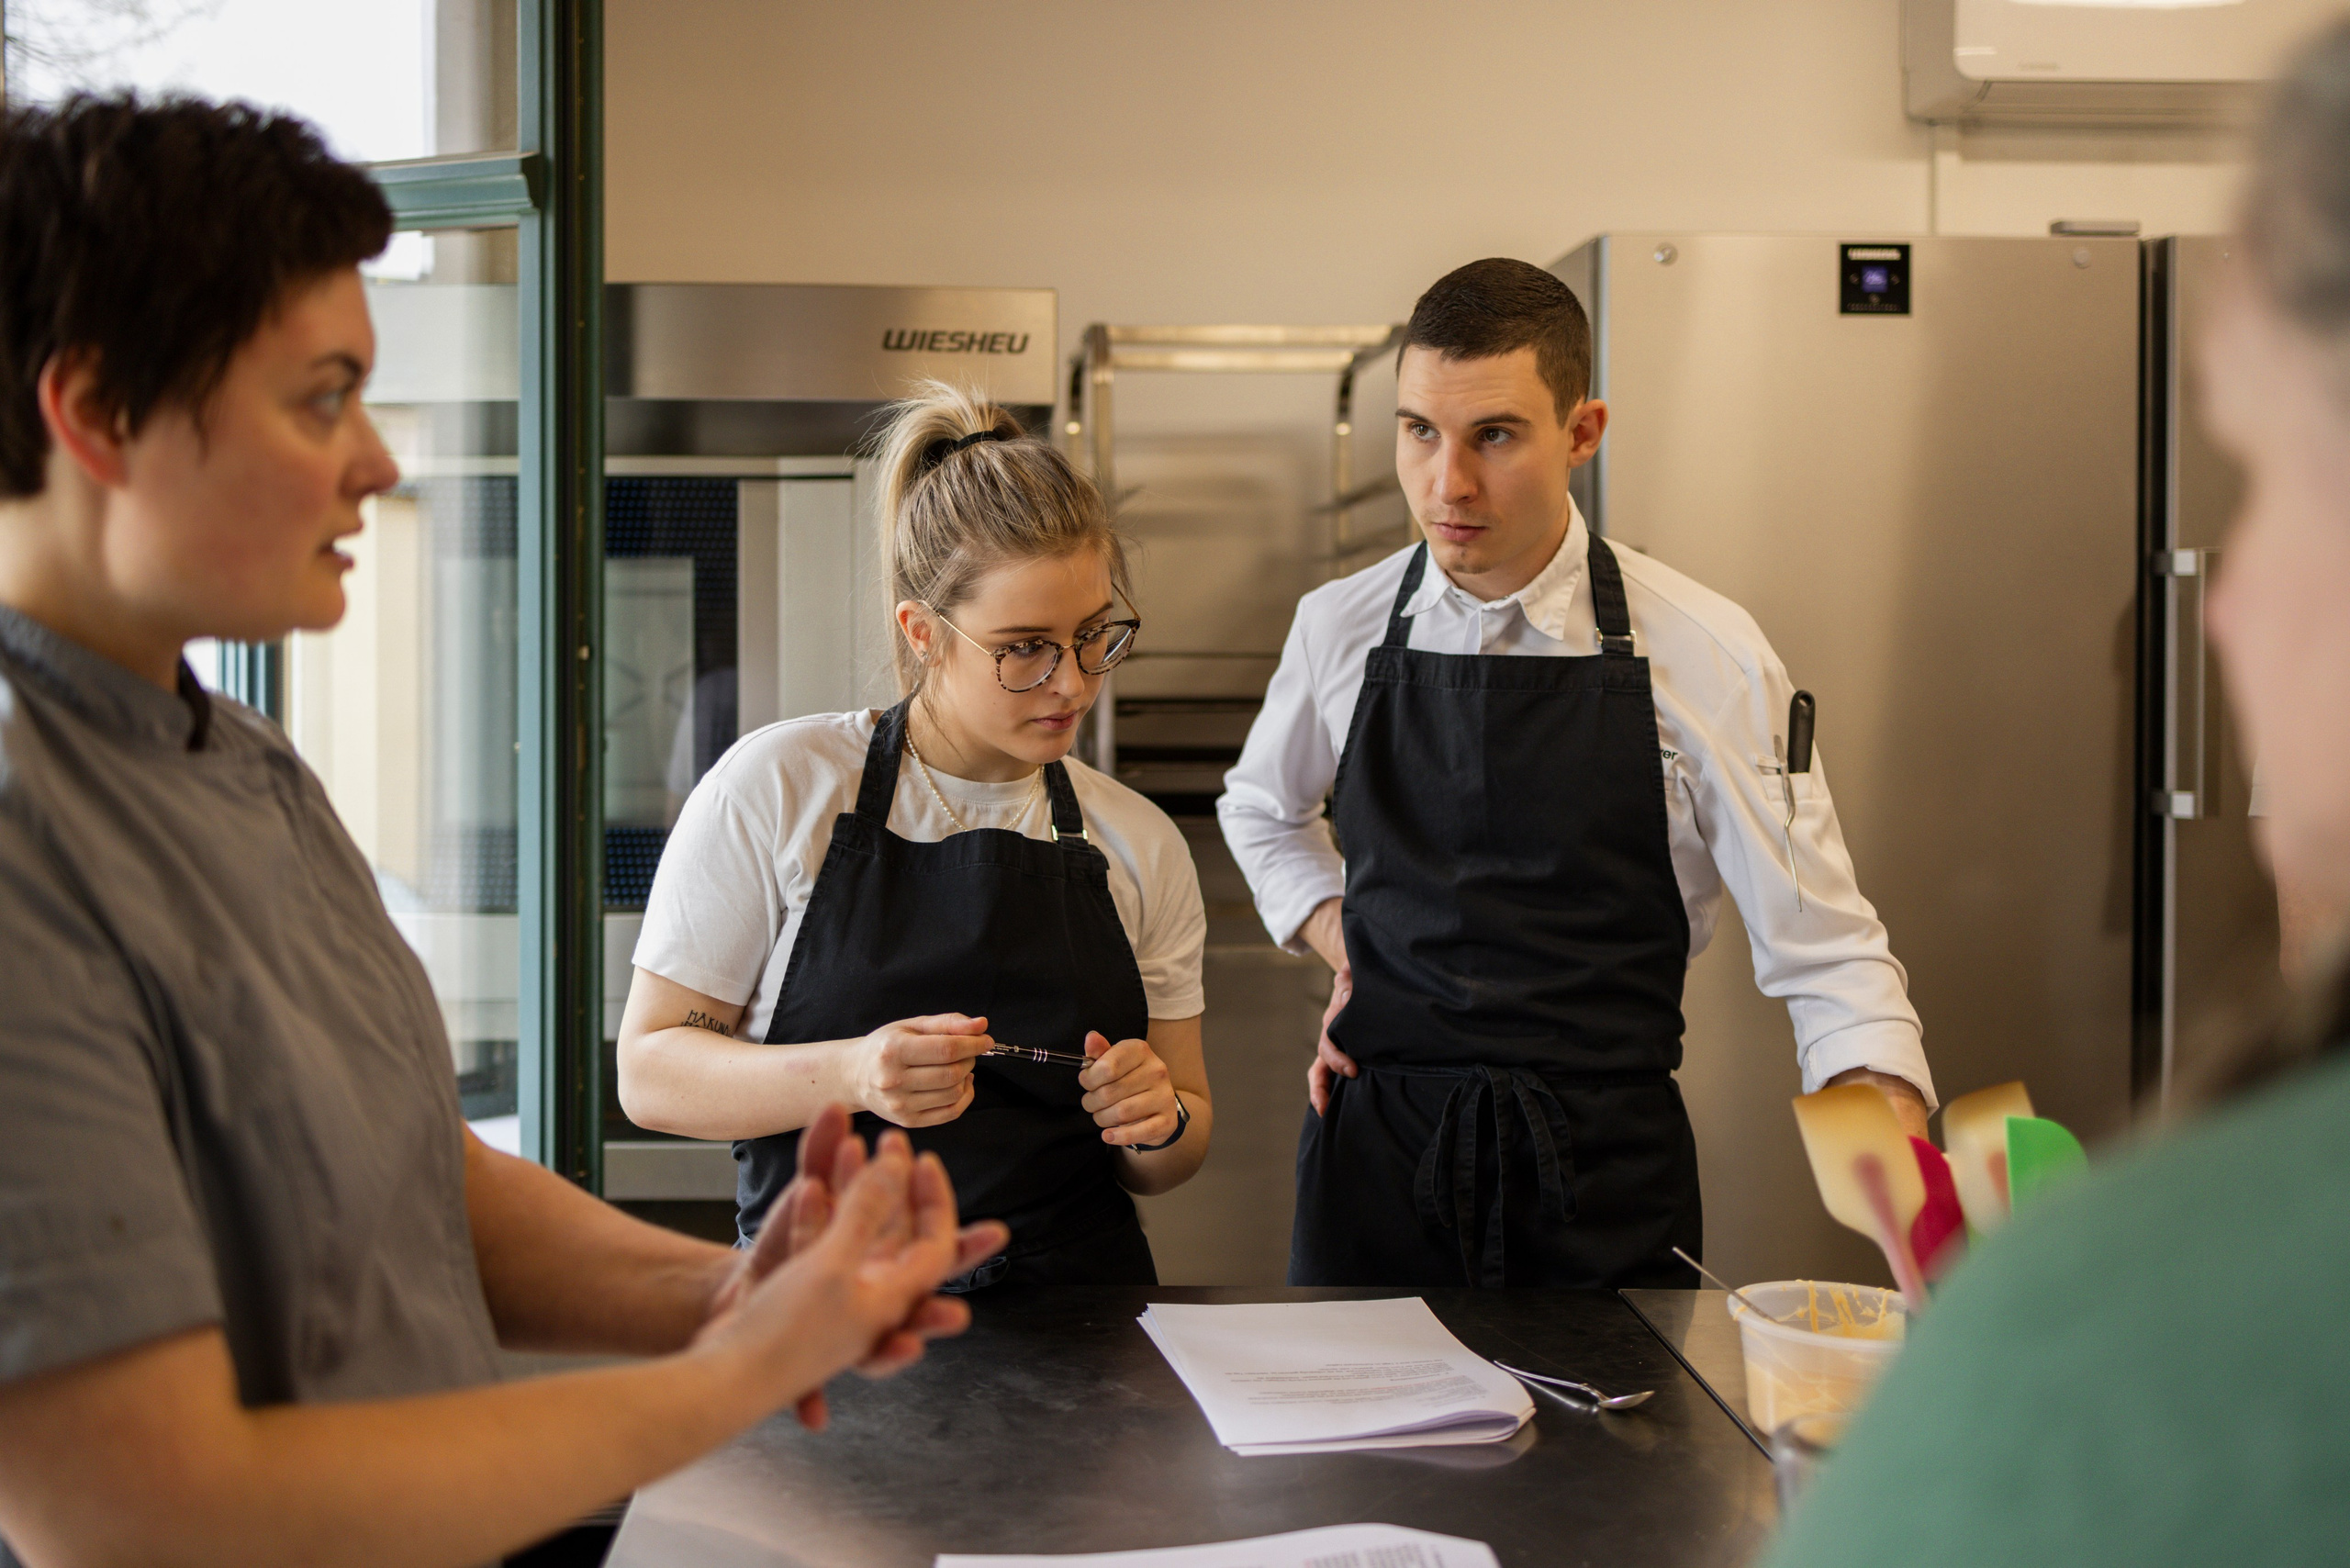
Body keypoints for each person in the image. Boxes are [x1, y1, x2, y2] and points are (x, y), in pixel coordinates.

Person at [0, 95, 1004, 1568]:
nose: (378, 465)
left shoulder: (244, 762)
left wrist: (742, 1295)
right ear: (94, 414)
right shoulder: (27, 842)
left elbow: (424, 1182)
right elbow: (142, 1508)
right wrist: (730, 1377)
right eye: (320, 396)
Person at [1758, 22, 2350, 1565]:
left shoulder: (2144, 1331)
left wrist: (2040, 1339)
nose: (2220, 608)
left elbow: (1819, 927)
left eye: (2265, 470)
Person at [1219, 258, 1935, 1289]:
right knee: (1359, 1460)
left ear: (1583, 431)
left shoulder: (1704, 653)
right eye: (1419, 430)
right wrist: (1346, 944)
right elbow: (1259, 811)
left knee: (1626, 1451)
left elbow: (1823, 953)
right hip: (1375, 1170)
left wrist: (1902, 1176)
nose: (1445, 484)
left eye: (1493, 436)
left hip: (1600, 1181)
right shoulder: (1338, 626)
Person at [615, 383, 1211, 1288]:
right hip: (820, 1314)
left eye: (1094, 636)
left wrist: (1156, 1117)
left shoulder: (1138, 840)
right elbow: (652, 1074)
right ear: (923, 632)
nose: (1072, 683)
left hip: (1081, 1325)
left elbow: (1176, 1147)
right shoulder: (780, 787)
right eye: (1024, 648)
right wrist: (853, 1074)